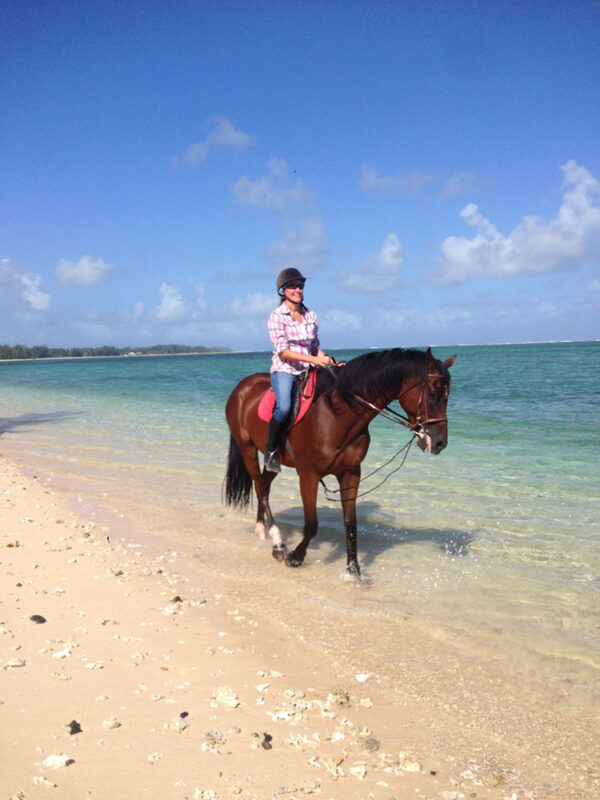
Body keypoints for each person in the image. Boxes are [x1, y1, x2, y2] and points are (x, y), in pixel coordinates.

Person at [265, 267, 334, 473]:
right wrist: (314, 359)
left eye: (300, 286)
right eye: (293, 286)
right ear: (283, 291)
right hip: (285, 370)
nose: (298, 290)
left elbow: (314, 346)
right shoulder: (277, 316)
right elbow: (284, 352)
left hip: (309, 368)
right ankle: (270, 451)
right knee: (284, 407)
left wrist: (327, 359)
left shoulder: (311, 315)